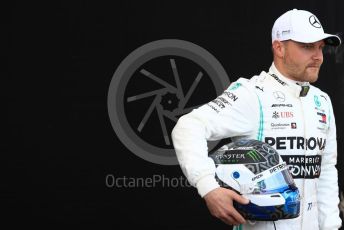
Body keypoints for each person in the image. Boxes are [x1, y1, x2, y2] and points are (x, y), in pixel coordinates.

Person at [171, 9, 342, 230]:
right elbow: (188, 127)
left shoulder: (321, 100)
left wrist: (331, 226)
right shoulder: (252, 93)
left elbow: (326, 169)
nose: (318, 56)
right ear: (279, 48)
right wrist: (208, 188)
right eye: (307, 46)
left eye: (320, 47)